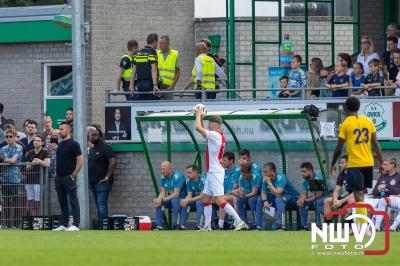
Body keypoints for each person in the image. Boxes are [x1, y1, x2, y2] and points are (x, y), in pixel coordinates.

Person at [330, 96, 383, 230]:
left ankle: (363, 228)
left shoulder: (346, 124)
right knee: (361, 196)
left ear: (346, 108)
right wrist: (381, 162)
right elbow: (376, 144)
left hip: (355, 163)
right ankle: (361, 227)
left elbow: (338, 147)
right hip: (369, 162)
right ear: (358, 107)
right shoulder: (368, 121)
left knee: (359, 196)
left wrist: (333, 163)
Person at [194, 107, 246, 231]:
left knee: (218, 199)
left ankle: (239, 222)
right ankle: (207, 226)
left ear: (214, 125)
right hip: (212, 172)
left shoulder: (216, 135)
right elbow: (201, 131)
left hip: (216, 172)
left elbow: (198, 128)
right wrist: (200, 117)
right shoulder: (215, 135)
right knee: (206, 198)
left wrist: (198, 114)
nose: (207, 125)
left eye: (209, 123)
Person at [52, 122, 84, 231]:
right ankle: (64, 224)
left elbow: (80, 160)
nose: (60, 131)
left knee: (73, 200)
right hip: (59, 178)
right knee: (62, 201)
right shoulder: (60, 144)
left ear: (68, 130)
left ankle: (75, 224)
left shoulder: (74, 144)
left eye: (62, 129)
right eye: (59, 129)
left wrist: (73, 174)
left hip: (68, 177)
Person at [261, 162, 300, 231]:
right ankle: (258, 225)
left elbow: (279, 193)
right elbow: (263, 192)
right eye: (263, 172)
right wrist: (265, 201)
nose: (264, 174)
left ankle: (281, 225)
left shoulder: (280, 177)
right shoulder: (265, 179)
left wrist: (269, 183)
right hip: (278, 197)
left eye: (265, 172)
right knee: (259, 200)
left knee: (279, 199)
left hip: (292, 198)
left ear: (272, 171)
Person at [88, 129, 116, 223]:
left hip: (103, 182)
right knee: (97, 205)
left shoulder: (106, 148)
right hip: (92, 182)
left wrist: (107, 177)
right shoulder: (92, 150)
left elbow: (112, 162)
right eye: (92, 135)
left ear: (101, 137)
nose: (92, 137)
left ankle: (104, 225)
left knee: (101, 204)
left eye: (95, 135)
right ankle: (101, 225)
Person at [0, 128, 23, 228]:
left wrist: (5, 159)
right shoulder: (2, 149)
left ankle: (17, 224)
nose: (8, 138)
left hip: (14, 178)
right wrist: (7, 160)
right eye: (7, 137)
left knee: (16, 201)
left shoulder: (19, 147)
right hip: (4, 179)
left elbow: (13, 160)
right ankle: (8, 224)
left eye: (10, 136)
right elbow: (7, 160)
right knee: (5, 202)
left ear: (15, 137)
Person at [152, 161, 186, 230]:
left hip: (182, 199)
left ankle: (175, 225)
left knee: (174, 201)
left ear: (170, 169)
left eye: (164, 169)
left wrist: (162, 199)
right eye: (161, 169)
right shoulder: (163, 177)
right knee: (159, 203)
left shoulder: (177, 176)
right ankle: (159, 225)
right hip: (172, 199)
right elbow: (162, 192)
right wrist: (159, 200)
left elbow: (176, 194)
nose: (162, 171)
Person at [296, 162, 327, 230]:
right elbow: (305, 195)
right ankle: (304, 226)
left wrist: (306, 200)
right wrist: (301, 200)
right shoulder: (305, 181)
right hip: (316, 198)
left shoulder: (317, 178)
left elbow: (319, 195)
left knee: (318, 202)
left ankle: (320, 226)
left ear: (310, 171)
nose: (302, 174)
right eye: (301, 172)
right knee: (301, 203)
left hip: (325, 198)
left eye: (304, 171)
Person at [129, 34, 160, 100]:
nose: (157, 44)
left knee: (142, 105)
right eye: (157, 42)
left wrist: (131, 85)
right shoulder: (152, 52)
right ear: (154, 42)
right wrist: (155, 84)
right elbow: (153, 69)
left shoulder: (139, 53)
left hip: (139, 85)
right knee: (152, 106)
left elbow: (134, 70)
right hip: (150, 84)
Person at [25, 135, 50, 216]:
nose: (36, 142)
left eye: (38, 141)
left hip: (39, 181)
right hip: (29, 180)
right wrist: (31, 163)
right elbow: (27, 168)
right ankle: (33, 220)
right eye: (35, 140)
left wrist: (38, 161)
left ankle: (39, 220)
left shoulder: (45, 152)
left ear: (42, 142)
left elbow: (47, 163)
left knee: (38, 202)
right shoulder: (29, 153)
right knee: (31, 202)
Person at [233, 162, 263, 230]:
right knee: (238, 201)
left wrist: (244, 196)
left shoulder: (256, 176)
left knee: (251, 200)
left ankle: (256, 223)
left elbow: (254, 192)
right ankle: (244, 224)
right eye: (242, 174)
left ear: (249, 173)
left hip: (258, 195)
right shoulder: (241, 177)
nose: (242, 176)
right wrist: (238, 194)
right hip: (247, 195)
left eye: (244, 174)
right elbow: (241, 189)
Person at [373, 158, 400, 231]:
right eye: (383, 164)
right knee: (381, 201)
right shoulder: (382, 177)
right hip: (381, 199)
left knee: (382, 200)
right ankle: (377, 227)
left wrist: (386, 187)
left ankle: (393, 227)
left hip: (396, 199)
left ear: (392, 165)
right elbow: (374, 192)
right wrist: (379, 189)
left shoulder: (398, 177)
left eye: (386, 164)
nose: (383, 166)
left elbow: (397, 191)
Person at [179, 164, 206, 230]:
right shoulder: (188, 180)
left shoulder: (203, 179)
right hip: (196, 199)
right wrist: (185, 200)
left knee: (199, 202)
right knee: (184, 203)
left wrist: (188, 200)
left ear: (196, 172)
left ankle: (200, 225)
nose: (188, 175)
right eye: (187, 173)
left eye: (190, 173)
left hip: (207, 199)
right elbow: (189, 194)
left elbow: (202, 196)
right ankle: (182, 225)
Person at [218, 151, 240, 229]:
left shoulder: (237, 171)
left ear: (231, 161)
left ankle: (235, 223)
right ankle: (220, 225)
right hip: (226, 195)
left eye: (225, 160)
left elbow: (235, 187)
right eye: (222, 160)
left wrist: (223, 195)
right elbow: (221, 186)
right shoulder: (224, 172)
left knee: (222, 199)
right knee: (218, 199)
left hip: (236, 195)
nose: (223, 162)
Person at [157, 35, 181, 100]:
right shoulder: (156, 53)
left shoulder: (175, 54)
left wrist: (173, 85)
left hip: (168, 87)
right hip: (158, 87)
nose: (160, 45)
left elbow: (178, 72)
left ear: (168, 44)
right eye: (159, 43)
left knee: (167, 107)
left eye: (162, 43)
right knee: (156, 107)